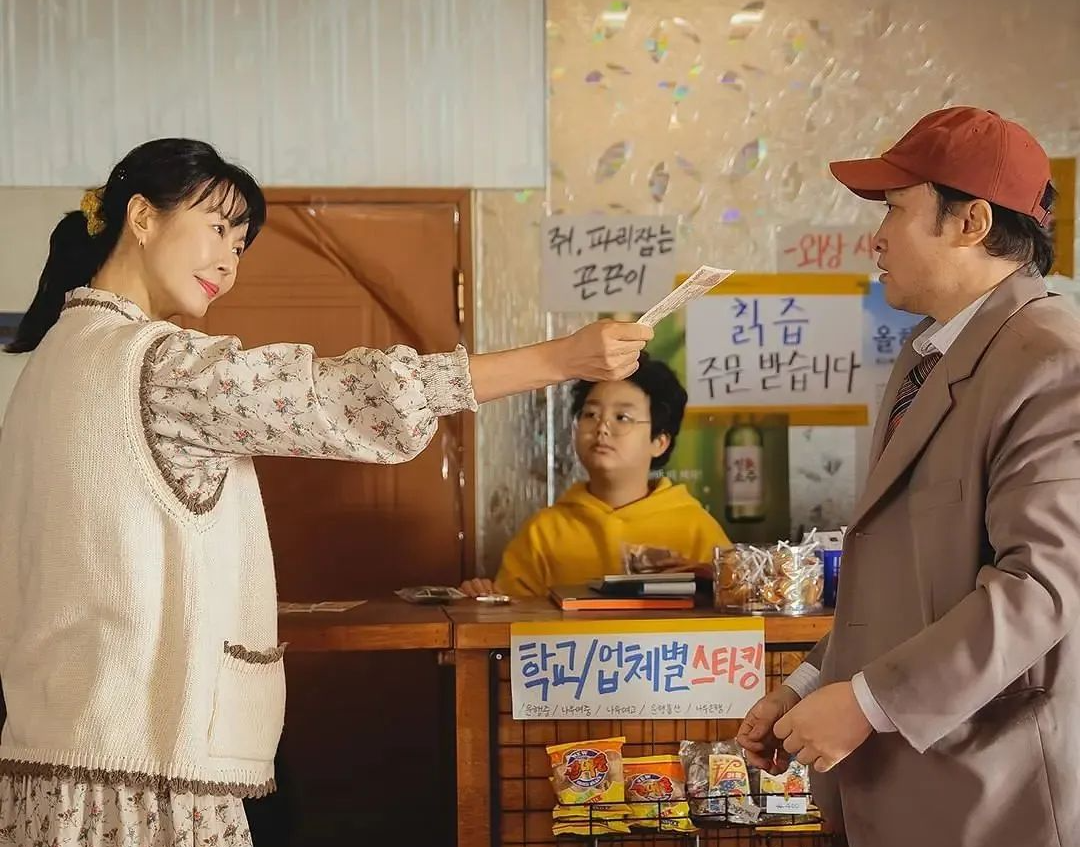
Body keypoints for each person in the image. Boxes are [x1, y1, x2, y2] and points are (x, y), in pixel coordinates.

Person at [0, 138, 652, 845]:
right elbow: (346, 394)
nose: (229, 263)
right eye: (217, 228)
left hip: (50, 754)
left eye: (240, 247)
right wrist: (562, 357)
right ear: (142, 216)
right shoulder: (160, 366)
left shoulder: (51, 361)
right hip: (144, 769)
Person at [736, 106, 1080, 847]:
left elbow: (1043, 585)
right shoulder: (930, 354)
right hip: (906, 792)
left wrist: (865, 703)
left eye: (895, 208)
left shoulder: (1052, 359)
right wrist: (808, 685)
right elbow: (905, 580)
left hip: (993, 796)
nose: (878, 236)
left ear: (972, 222)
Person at [461, 352, 729, 598]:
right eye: (590, 414)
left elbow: (733, 605)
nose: (601, 428)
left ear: (659, 441)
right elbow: (511, 617)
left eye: (622, 417)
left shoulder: (695, 528)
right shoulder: (543, 532)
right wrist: (482, 598)